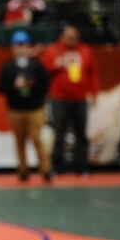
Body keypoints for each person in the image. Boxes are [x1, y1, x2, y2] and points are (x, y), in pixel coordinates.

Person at [41, 26, 99, 175]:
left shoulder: (85, 50)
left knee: (81, 133)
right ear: (62, 37)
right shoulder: (53, 50)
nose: (71, 40)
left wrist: (94, 93)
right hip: (59, 98)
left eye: (74, 37)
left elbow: (92, 73)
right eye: (68, 37)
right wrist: (55, 65)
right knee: (59, 133)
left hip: (80, 98)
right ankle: (58, 166)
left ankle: (81, 166)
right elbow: (42, 70)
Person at [0, 31, 51, 182]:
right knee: (19, 140)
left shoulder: (37, 65)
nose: (20, 49)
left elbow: (45, 85)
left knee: (37, 139)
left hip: (34, 109)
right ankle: (23, 170)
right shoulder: (8, 66)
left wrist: (32, 85)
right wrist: (14, 86)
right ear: (13, 48)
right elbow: (0, 87)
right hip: (16, 109)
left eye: (23, 45)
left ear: (28, 47)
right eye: (17, 46)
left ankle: (45, 169)